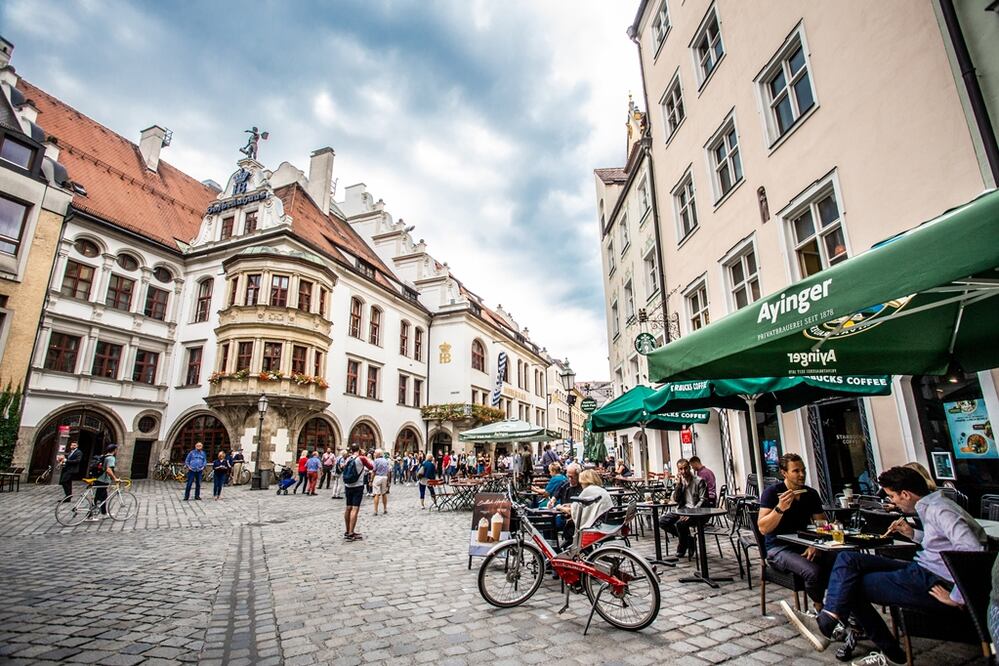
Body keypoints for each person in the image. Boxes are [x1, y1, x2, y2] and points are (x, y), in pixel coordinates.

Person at [782, 465, 987, 666]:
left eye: (893, 496)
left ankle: (889, 654)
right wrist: (912, 534)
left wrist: (958, 597)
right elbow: (942, 542)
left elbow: (972, 551)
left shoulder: (940, 510)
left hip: (934, 580)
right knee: (848, 559)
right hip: (920, 569)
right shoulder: (933, 505)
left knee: (850, 585)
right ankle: (828, 620)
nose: (892, 502)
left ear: (905, 494)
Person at [758, 453, 832, 608]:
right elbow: (763, 528)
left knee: (844, 561)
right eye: (796, 471)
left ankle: (844, 608)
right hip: (778, 549)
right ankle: (820, 608)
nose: (802, 474)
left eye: (803, 470)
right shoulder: (772, 493)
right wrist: (780, 508)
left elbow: (822, 524)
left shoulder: (810, 494)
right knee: (813, 572)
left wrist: (816, 545)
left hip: (806, 545)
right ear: (784, 473)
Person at [659, 458, 708, 558]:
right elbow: (675, 499)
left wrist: (691, 513)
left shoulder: (699, 481)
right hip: (682, 509)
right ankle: (689, 540)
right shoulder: (680, 481)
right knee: (662, 521)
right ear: (678, 470)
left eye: (685, 468)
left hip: (696, 511)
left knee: (680, 524)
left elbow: (703, 500)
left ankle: (682, 547)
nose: (683, 471)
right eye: (681, 469)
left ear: (689, 467)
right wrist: (678, 485)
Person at [558, 469, 613, 538]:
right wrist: (571, 505)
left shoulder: (589, 490)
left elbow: (573, 511)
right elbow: (585, 505)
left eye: (581, 482)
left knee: (569, 526)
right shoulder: (600, 489)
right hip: (603, 520)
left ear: (585, 481)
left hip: (596, 524)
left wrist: (559, 507)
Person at [342, 444, 374, 541]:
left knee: (348, 507)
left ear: (351, 450)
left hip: (348, 485)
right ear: (359, 449)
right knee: (355, 509)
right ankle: (351, 532)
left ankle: (347, 530)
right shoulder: (361, 458)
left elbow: (342, 467)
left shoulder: (348, 458)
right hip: (357, 485)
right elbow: (371, 467)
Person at [90, 443, 119, 520]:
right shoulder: (111, 458)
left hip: (98, 478)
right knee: (98, 497)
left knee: (103, 497)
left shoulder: (104, 456)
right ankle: (90, 515)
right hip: (103, 480)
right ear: (115, 450)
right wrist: (115, 478)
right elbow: (108, 470)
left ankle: (104, 513)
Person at [371, 449, 392, 515]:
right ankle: (385, 509)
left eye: (375, 453)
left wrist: (371, 480)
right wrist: (388, 480)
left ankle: (375, 510)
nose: (374, 454)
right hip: (384, 477)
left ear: (378, 454)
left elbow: (373, 471)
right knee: (384, 493)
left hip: (377, 477)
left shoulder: (376, 461)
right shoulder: (386, 461)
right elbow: (388, 471)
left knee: (376, 494)